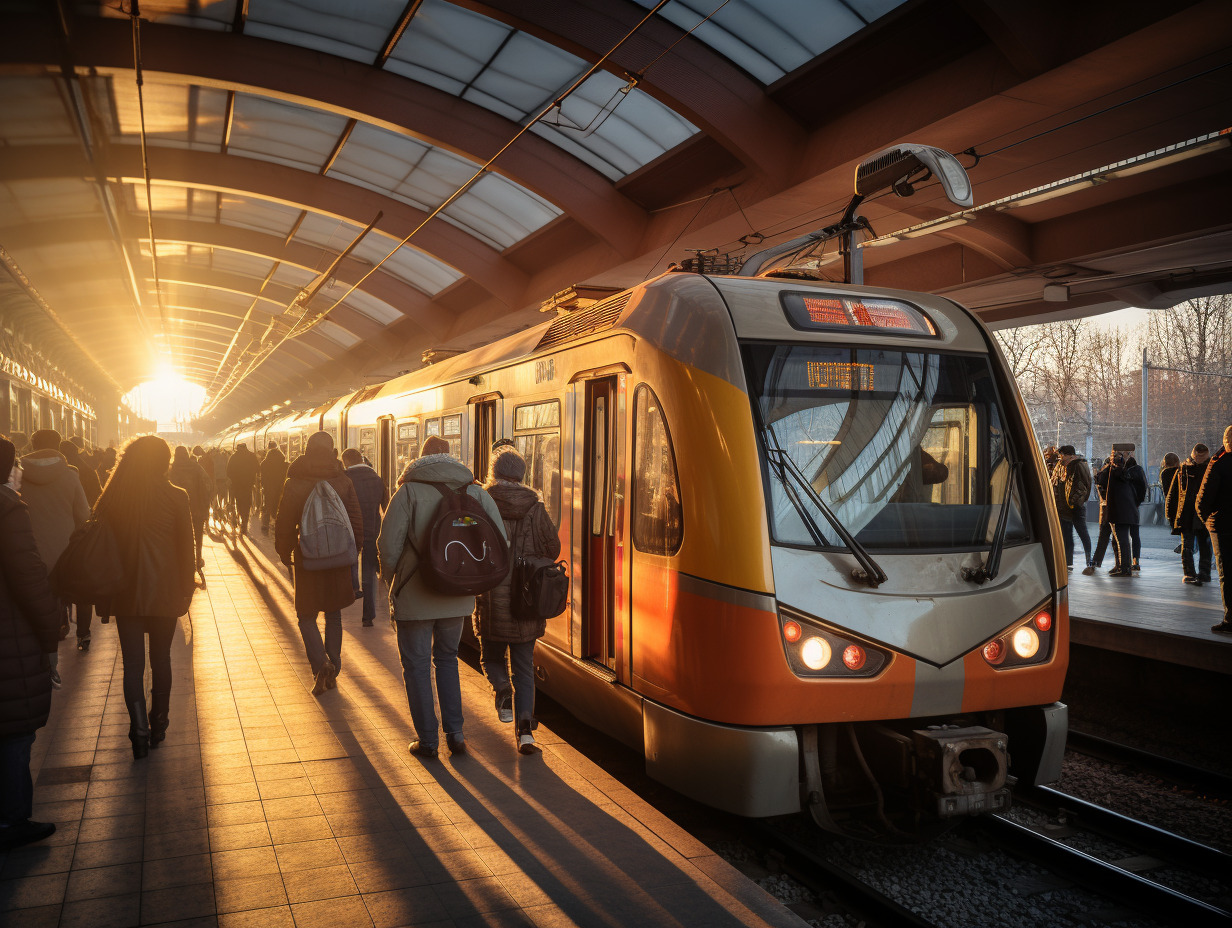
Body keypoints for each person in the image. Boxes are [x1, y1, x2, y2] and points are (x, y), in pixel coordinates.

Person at [378, 435, 505, 759]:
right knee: (447, 660)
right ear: (450, 458)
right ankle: (456, 734)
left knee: (417, 667)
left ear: (421, 459)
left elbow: (387, 545)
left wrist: (393, 579)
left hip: (414, 598)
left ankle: (428, 741)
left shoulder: (407, 491)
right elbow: (499, 540)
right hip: (457, 596)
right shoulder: (474, 490)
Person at [93, 436, 195, 758]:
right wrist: (185, 592)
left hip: (126, 595)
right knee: (161, 658)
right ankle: (159, 723)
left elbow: (101, 548)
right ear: (165, 462)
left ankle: (138, 733)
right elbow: (186, 553)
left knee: (133, 665)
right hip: (165, 593)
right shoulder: (177, 497)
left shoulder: (114, 496)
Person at [473, 446, 560, 754]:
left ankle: (502, 692)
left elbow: (471, 549)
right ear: (522, 474)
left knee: (491, 658)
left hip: (491, 597)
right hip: (526, 601)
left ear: (493, 473)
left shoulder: (482, 503)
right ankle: (525, 733)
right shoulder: (536, 507)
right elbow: (552, 549)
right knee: (523, 668)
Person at [0, 436, 63, 851]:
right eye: (15, 465)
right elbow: (29, 577)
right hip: (9, 637)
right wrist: (51, 633)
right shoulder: (7, 508)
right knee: (13, 731)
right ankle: (11, 819)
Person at [274, 431, 362, 695]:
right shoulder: (343, 480)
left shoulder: (295, 482)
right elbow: (356, 520)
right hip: (337, 561)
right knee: (333, 614)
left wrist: (284, 552)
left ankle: (320, 664)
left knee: (306, 616)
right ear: (333, 451)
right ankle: (333, 665)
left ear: (307, 449)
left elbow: (284, 522)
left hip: (308, 559)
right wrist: (352, 550)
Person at [20, 430, 90, 643]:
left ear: (32, 446)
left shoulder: (17, 476)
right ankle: (83, 633)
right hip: (66, 552)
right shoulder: (70, 476)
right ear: (58, 446)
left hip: (29, 552)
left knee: (39, 599)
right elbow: (84, 516)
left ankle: (49, 641)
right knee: (81, 590)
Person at [58, 439, 103, 648]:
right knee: (83, 587)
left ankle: (61, 623)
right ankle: (83, 633)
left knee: (57, 583)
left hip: (57, 535)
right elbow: (98, 500)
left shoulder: (59, 474)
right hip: (82, 536)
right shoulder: (87, 471)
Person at [341, 447, 388, 627]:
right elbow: (386, 507)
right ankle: (368, 616)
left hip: (351, 532)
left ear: (346, 461)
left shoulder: (345, 479)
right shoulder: (377, 479)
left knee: (350, 562)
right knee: (369, 573)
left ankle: (352, 591)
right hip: (372, 531)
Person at [1196, 426, 1232, 634]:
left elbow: (1203, 500)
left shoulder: (1219, 463)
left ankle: (1230, 618)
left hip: (1224, 527)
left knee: (1227, 574)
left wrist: (1209, 521)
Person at [1095, 448, 1147, 577]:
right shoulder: (1133, 471)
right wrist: (1136, 502)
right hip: (1127, 508)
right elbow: (1142, 489)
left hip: (1118, 509)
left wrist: (1110, 465)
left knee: (1121, 539)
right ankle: (1123, 566)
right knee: (1120, 539)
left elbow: (1100, 480)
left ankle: (1124, 568)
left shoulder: (1116, 471)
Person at [1166, 444, 1212, 585]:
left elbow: (1172, 495)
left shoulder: (1183, 469)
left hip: (1188, 513)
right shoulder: (1209, 468)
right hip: (1199, 514)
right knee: (1202, 545)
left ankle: (1190, 574)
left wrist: (1170, 514)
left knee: (1189, 545)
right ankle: (1202, 573)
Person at [169, 445, 213, 571]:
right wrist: (205, 502)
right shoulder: (196, 467)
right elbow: (208, 484)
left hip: (177, 511)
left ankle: (182, 560)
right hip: (197, 508)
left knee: (179, 535)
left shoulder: (171, 469)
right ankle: (198, 559)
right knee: (198, 536)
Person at [1053, 445, 1092, 573]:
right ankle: (1068, 562)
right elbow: (1054, 483)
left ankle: (1089, 560)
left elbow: (1084, 486)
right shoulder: (1059, 466)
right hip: (1062, 507)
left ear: (1071, 455)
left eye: (1063, 455)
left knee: (1082, 533)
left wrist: (1075, 501)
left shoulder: (1078, 466)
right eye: (1060, 455)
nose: (1061, 457)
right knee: (1066, 535)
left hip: (1076, 507)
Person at [226, 443, 259, 535]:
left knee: (239, 503)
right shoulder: (252, 456)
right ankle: (245, 521)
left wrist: (232, 478)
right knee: (247, 503)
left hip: (237, 485)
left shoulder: (234, 457)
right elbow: (257, 468)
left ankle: (241, 519)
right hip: (248, 485)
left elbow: (228, 471)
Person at [259, 442, 287, 533]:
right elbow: (285, 475)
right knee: (277, 504)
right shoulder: (283, 462)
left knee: (267, 505)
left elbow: (262, 476)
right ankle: (276, 522)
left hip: (268, 487)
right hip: (279, 486)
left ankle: (266, 524)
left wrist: (263, 485)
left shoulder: (264, 463)